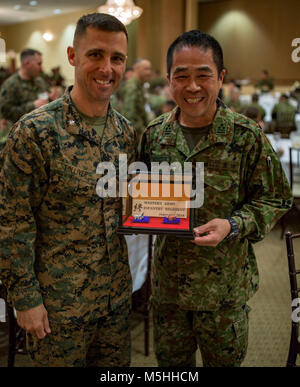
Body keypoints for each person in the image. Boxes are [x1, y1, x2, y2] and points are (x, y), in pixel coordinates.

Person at [140, 30, 292, 367]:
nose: (192, 86)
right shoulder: (154, 136)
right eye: (181, 76)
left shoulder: (246, 136)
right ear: (168, 81)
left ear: (220, 78)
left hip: (223, 291)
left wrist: (233, 224)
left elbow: (276, 199)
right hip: (169, 293)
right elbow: (140, 199)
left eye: (203, 75)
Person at [0, 13, 136, 367]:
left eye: (117, 58)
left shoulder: (125, 133)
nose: (107, 68)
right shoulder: (34, 132)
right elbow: (12, 221)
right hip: (58, 308)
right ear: (73, 55)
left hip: (116, 303)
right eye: (96, 55)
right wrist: (25, 298)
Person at [0, 48, 59, 124]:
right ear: (27, 63)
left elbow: (45, 99)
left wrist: (51, 99)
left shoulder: (40, 81)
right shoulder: (11, 84)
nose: (41, 68)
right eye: (39, 64)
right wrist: (32, 106)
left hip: (43, 128)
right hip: (21, 131)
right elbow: (6, 112)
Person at [120, 58, 152, 143]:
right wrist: (142, 132)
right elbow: (130, 115)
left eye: (150, 69)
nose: (149, 72)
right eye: (146, 69)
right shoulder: (132, 87)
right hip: (134, 135)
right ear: (136, 69)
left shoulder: (140, 86)